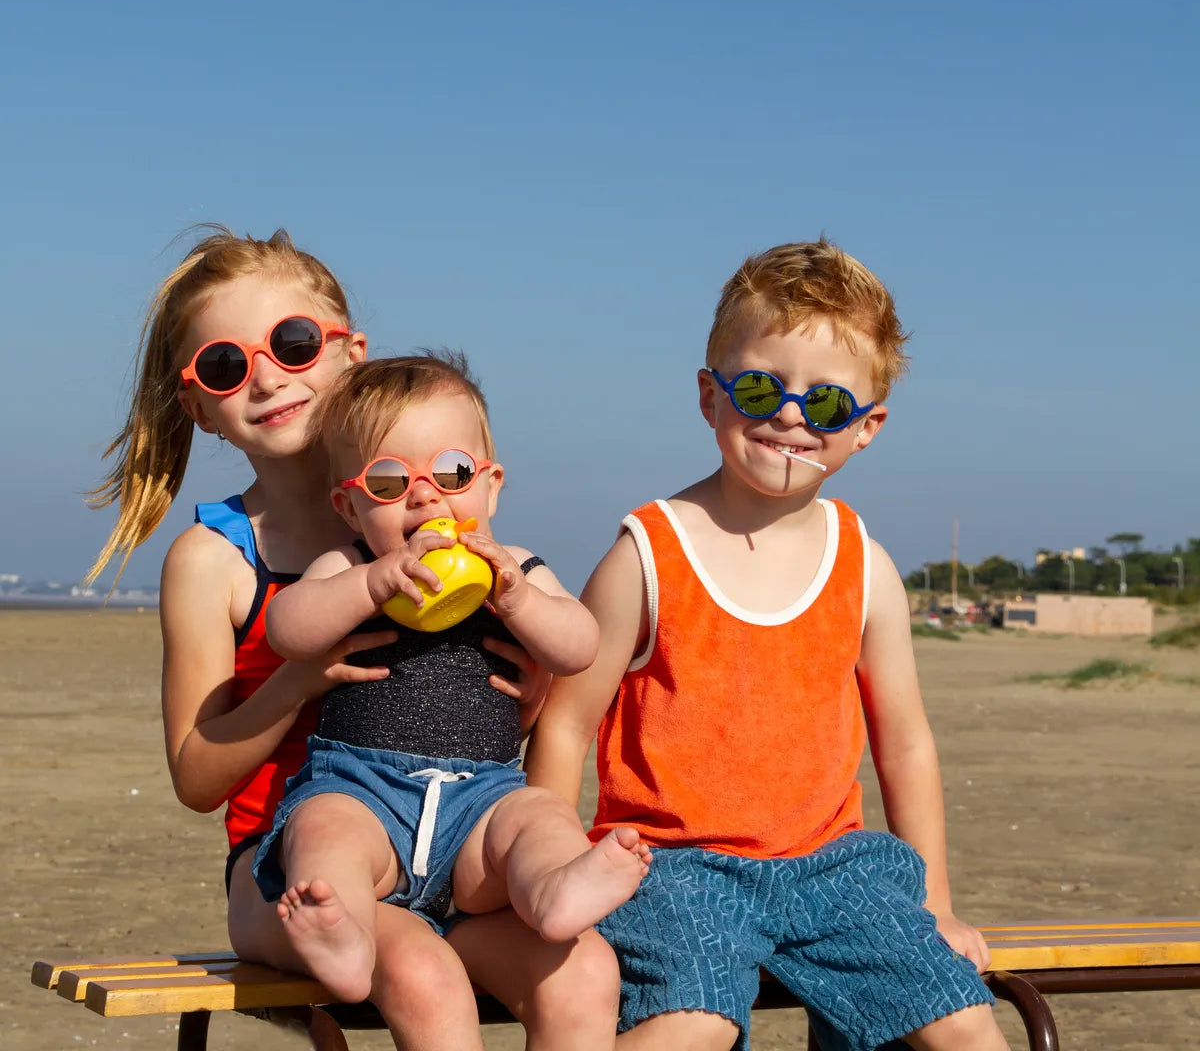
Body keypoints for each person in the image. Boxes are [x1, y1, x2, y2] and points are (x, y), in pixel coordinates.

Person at [86, 226, 625, 1050]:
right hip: (296, 867)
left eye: (294, 344)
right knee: (422, 974)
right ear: (200, 407)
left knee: (583, 969)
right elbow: (198, 776)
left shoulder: (434, 505)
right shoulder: (216, 559)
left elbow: (545, 674)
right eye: (227, 367)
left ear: (350, 353)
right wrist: (301, 682)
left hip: (456, 835)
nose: (266, 376)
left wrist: (533, 695)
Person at [524, 240, 1010, 1051]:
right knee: (694, 1026)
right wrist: (545, 877)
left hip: (836, 867)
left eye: (827, 405)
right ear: (711, 398)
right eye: (760, 388)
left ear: (867, 429)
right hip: (676, 869)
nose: (791, 416)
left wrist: (937, 906)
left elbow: (906, 742)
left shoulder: (866, 566)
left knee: (965, 1026)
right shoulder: (647, 552)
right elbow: (567, 725)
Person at [256, 354, 653, 1007]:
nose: (425, 494)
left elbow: (581, 644)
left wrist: (520, 600)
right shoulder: (350, 563)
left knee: (539, 813)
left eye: (452, 472)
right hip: (363, 789)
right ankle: (345, 940)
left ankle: (554, 889)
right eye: (388, 482)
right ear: (349, 508)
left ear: (490, 486)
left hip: (481, 803)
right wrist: (373, 582)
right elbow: (288, 629)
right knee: (323, 829)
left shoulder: (515, 567)